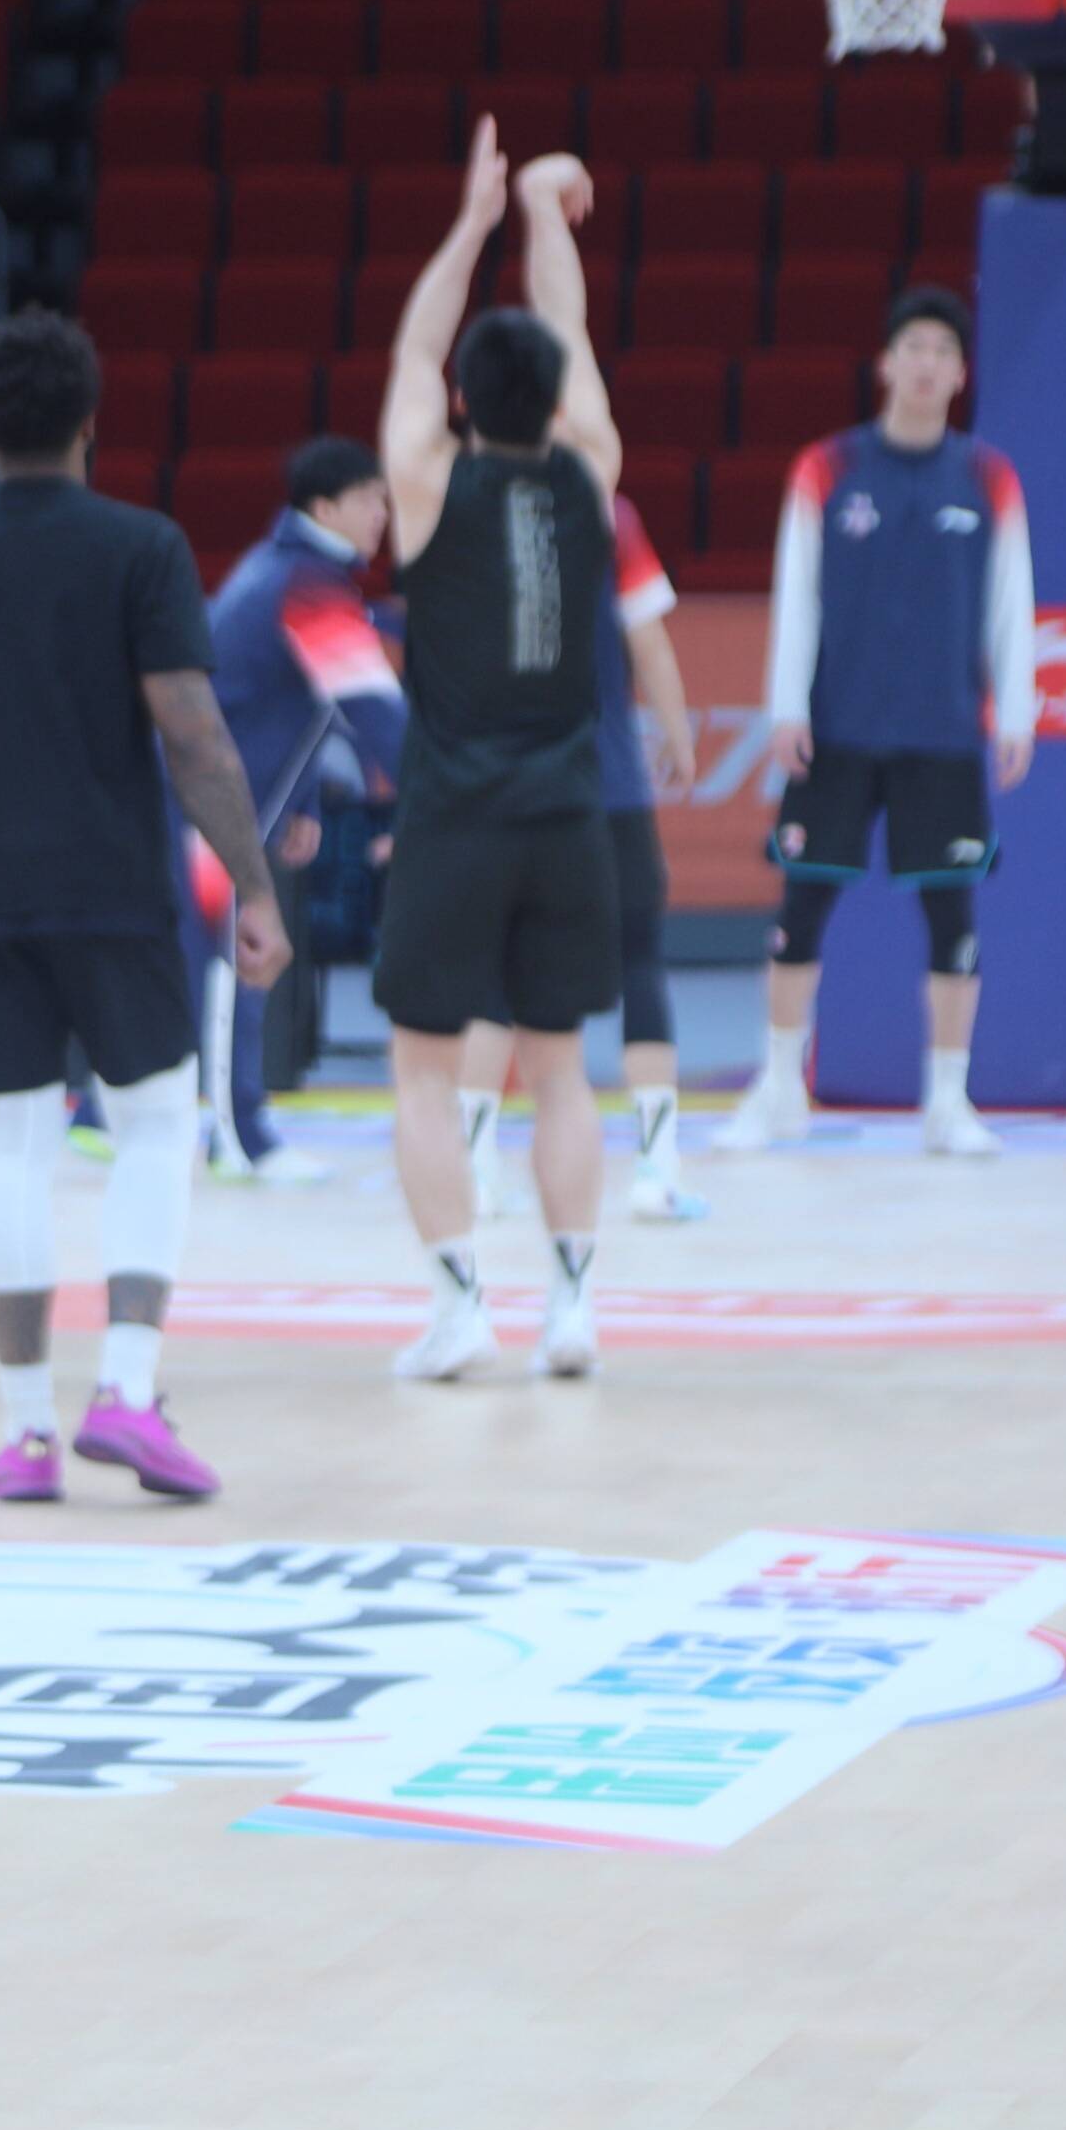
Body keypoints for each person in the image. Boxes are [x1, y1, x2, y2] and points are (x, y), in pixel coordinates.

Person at [0, 308, 290, 1503]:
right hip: (115, 897)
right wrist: (254, 886)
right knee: (153, 1127)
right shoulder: (141, 547)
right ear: (91, 421)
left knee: (11, 1151)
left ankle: (25, 1439)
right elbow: (194, 736)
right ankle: (128, 1395)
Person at [367, 122, 627, 1382]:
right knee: (563, 1071)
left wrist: (473, 223)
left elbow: (415, 350)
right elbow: (567, 335)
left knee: (425, 1077)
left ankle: (460, 1309)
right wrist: (539, 213)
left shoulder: (426, 480)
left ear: (465, 401)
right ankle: (570, 1309)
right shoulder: (592, 471)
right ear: (560, 402)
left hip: (455, 819)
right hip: (568, 817)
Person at [718, 287, 1036, 1159]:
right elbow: (797, 594)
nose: (927, 364)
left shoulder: (989, 476)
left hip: (944, 729)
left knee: (952, 916)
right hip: (838, 726)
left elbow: (1011, 598)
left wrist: (1016, 708)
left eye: (943, 351)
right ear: (887, 364)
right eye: (914, 348)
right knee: (801, 906)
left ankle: (948, 1102)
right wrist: (786, 705)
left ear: (961, 373)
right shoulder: (826, 467)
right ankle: (779, 1088)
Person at [454, 488, 703, 1223]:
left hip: (503, 789)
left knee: (497, 969)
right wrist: (678, 735)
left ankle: (475, 1170)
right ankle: (657, 1170)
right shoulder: (608, 514)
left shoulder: (462, 510)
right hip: (606, 786)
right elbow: (647, 639)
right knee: (639, 958)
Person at [201, 437, 399, 1189]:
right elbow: (374, 712)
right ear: (326, 507)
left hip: (228, 803)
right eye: (370, 499)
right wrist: (444, 796)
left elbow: (302, 696)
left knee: (210, 959)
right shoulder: (306, 582)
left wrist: (306, 798)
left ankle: (101, 1112)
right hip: (208, 809)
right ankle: (240, 1140)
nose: (383, 514)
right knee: (232, 962)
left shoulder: (286, 568)